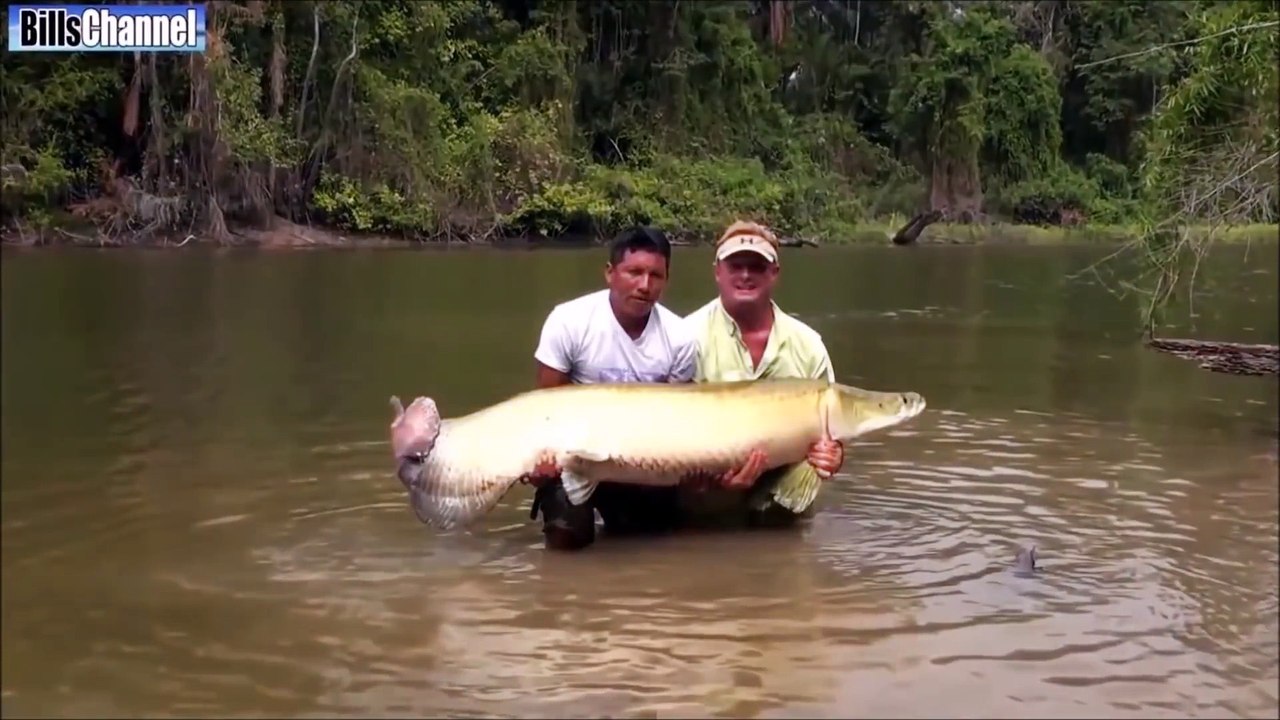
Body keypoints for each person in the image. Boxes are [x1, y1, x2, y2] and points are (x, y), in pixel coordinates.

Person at [525, 226, 699, 551]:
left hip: (641, 461)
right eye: (634, 272)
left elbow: (679, 424)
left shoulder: (680, 337)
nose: (644, 285)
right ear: (610, 273)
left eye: (655, 275)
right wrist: (540, 462)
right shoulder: (569, 321)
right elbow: (544, 409)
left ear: (666, 280)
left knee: (649, 545)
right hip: (576, 456)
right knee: (567, 535)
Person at [680, 220, 846, 528]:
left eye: (756, 266)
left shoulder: (808, 345)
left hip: (781, 493)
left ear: (774, 274)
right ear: (718, 271)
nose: (745, 275)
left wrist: (833, 455)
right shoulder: (685, 336)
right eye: (736, 265)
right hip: (704, 491)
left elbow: (831, 430)